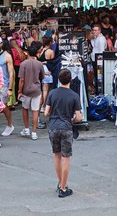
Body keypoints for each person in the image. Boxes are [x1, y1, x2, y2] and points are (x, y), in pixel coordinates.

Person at [45, 69, 82, 198]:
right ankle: (63, 188)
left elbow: (46, 112)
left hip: (53, 127)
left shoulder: (52, 93)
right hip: (66, 127)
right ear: (70, 80)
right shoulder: (74, 96)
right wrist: (72, 119)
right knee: (66, 157)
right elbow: (79, 117)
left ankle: (60, 182)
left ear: (59, 80)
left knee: (57, 155)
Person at [18, 46, 44, 140]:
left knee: (25, 108)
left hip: (26, 90)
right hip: (36, 89)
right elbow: (42, 76)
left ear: (27, 53)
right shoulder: (39, 64)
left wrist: (19, 91)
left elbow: (21, 80)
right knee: (35, 110)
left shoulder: (23, 64)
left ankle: (26, 128)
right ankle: (34, 132)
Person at [0, 36, 15, 137]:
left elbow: (11, 73)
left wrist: (10, 88)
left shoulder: (7, 56)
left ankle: (10, 124)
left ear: (1, 44)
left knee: (4, 106)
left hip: (4, 84)